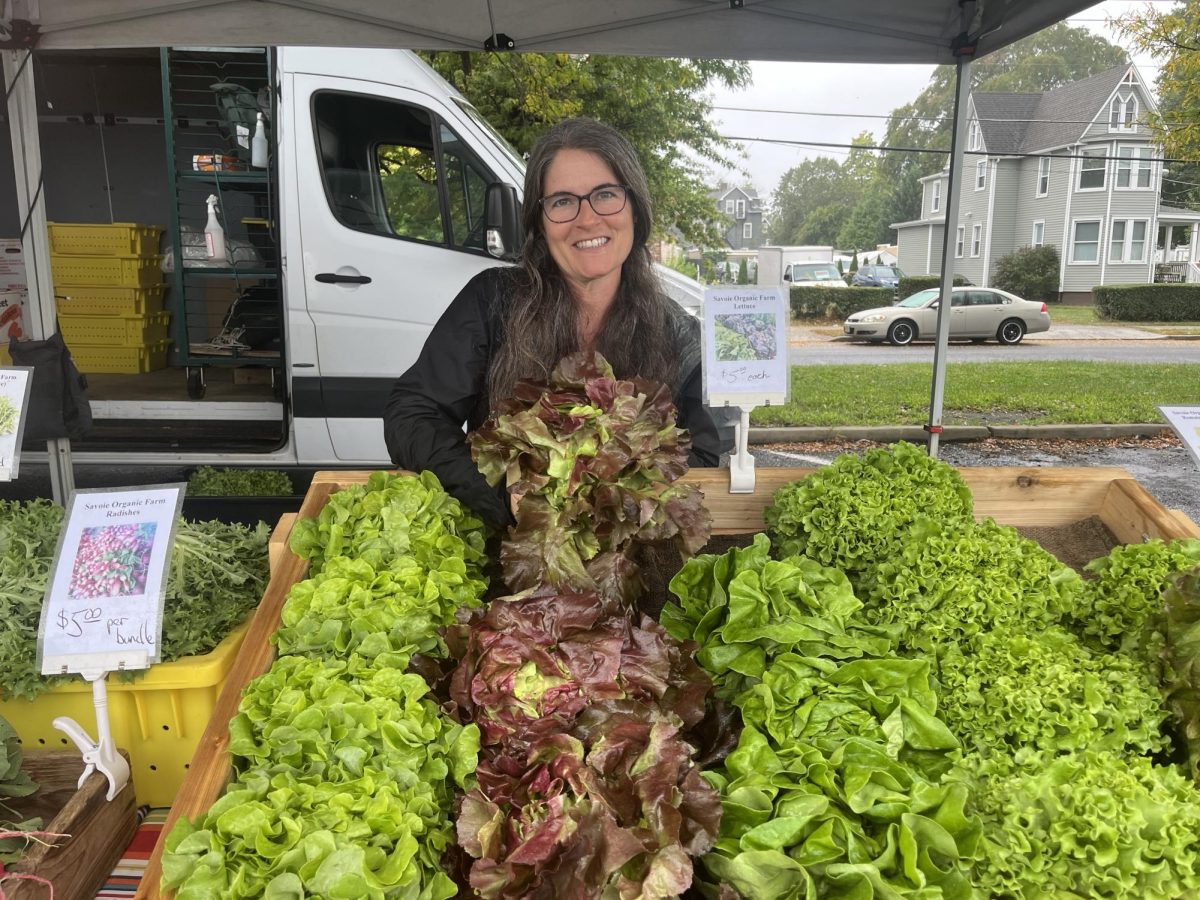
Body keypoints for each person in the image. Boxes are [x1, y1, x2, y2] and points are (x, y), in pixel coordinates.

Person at [384, 117, 723, 528]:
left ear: (635, 210)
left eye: (605, 195)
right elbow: (412, 414)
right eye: (562, 201)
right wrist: (493, 492)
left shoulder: (678, 335)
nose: (587, 219)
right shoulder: (492, 302)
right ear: (540, 224)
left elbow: (700, 458)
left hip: (630, 559)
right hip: (506, 550)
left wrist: (612, 498)